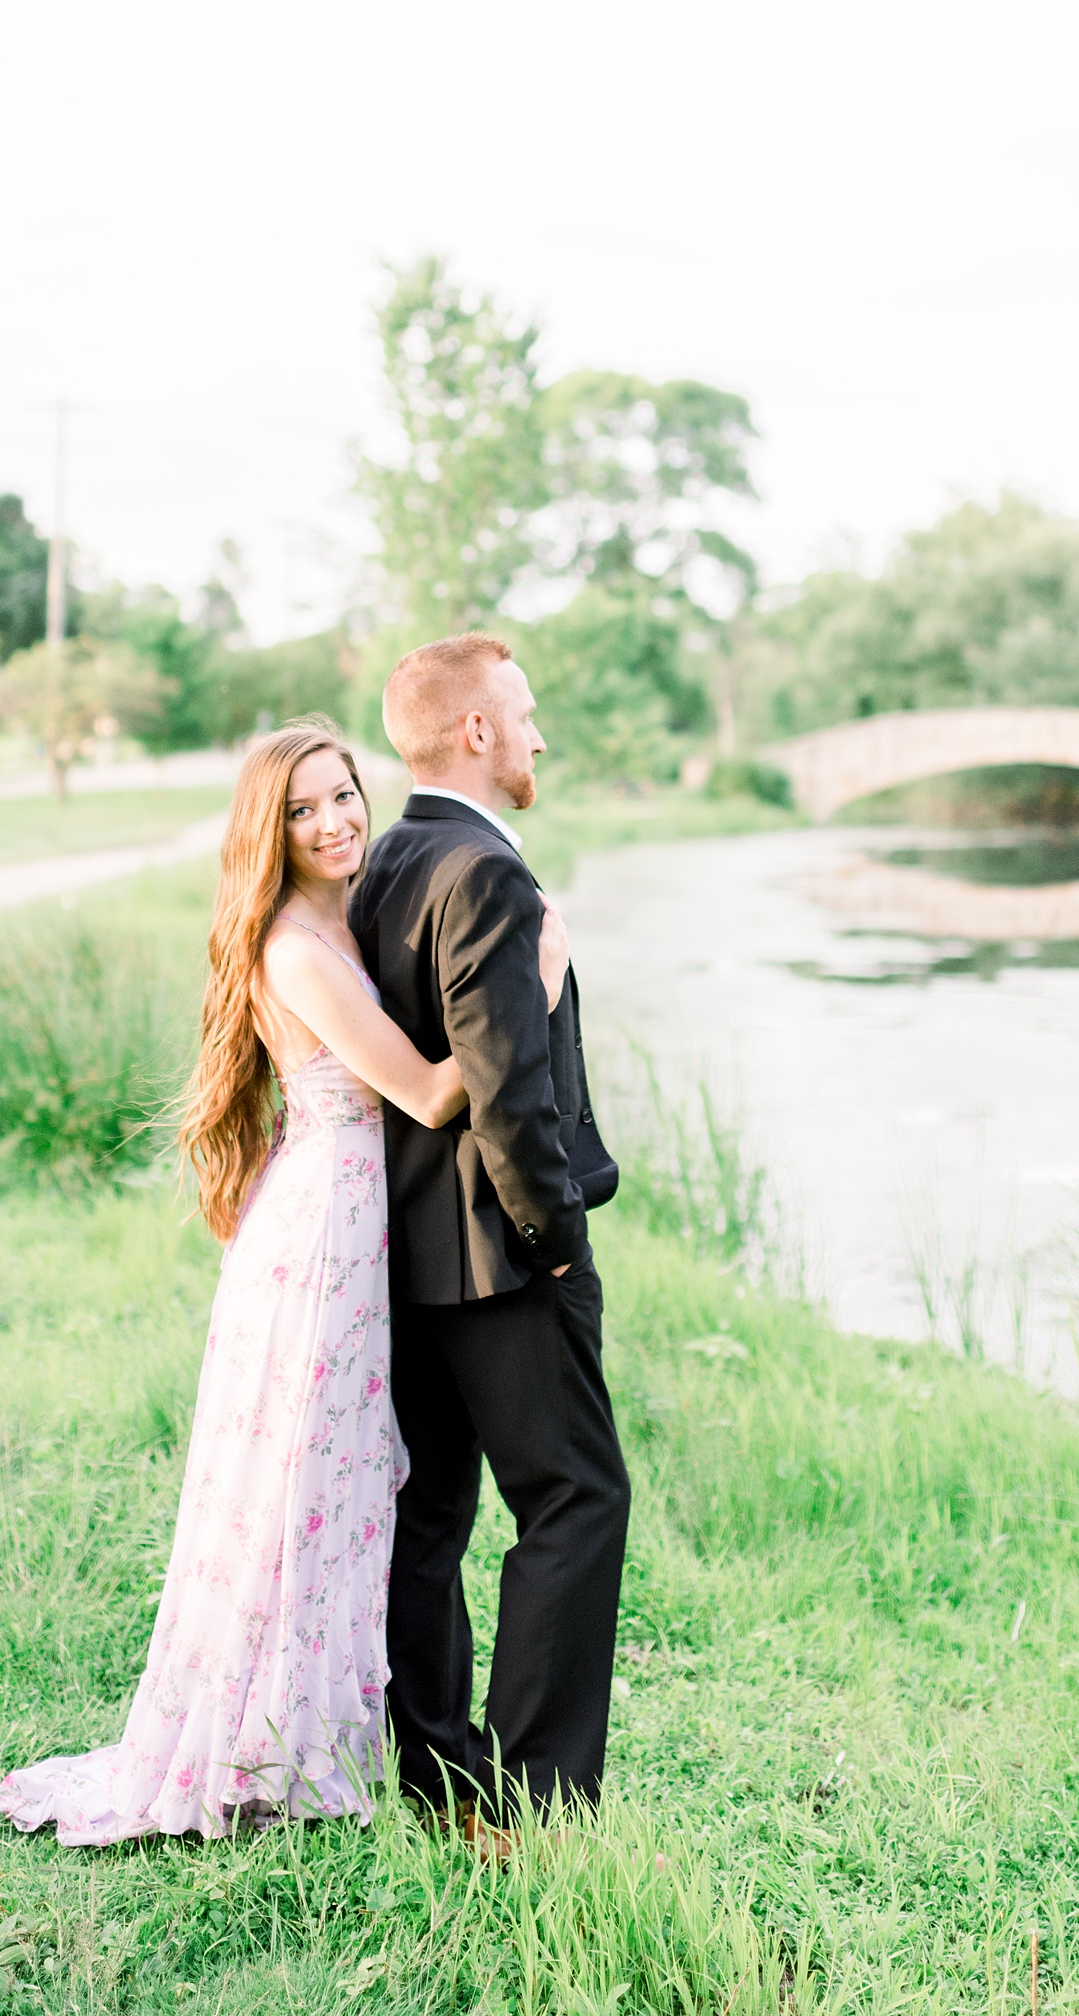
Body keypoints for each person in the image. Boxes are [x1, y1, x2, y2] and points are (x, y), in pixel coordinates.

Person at [0, 716, 570, 1844]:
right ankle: (266, 1741)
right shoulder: (296, 945)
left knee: (352, 1482)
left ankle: (323, 1724)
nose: (333, 820)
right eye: (302, 810)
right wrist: (534, 981)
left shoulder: (356, 910)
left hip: (360, 1216)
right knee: (309, 1481)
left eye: (343, 794)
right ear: (272, 829)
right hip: (328, 1230)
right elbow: (434, 1094)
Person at [348, 634, 631, 1834]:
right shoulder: (487, 875)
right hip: (507, 1261)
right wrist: (555, 1240)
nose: (538, 734)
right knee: (574, 1502)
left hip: (405, 1259)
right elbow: (508, 1091)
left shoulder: (381, 864)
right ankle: (538, 1802)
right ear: (474, 731)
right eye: (522, 713)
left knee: (430, 1522)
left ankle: (439, 1775)